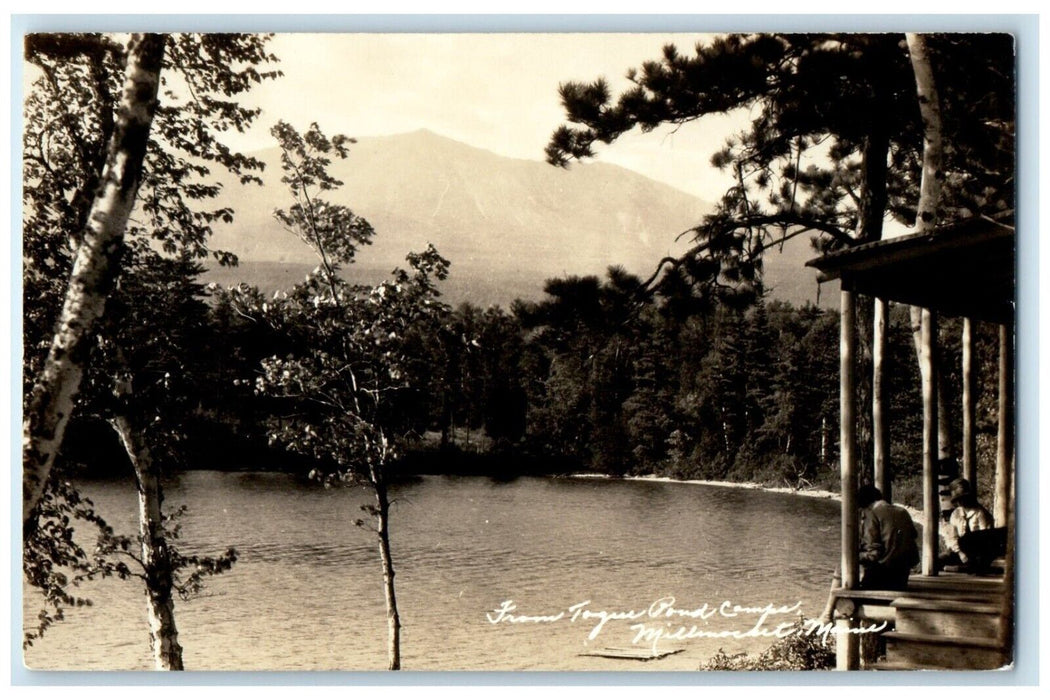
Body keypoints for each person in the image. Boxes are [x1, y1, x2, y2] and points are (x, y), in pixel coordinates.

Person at [857, 485, 920, 590]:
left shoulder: (871, 513)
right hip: (903, 576)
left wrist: (854, 556)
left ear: (864, 504)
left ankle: (829, 607)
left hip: (883, 575)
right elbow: (914, 535)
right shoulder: (903, 511)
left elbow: (874, 554)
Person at [939, 477, 1002, 572]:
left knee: (977, 564)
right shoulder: (955, 514)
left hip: (978, 552)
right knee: (938, 561)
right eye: (957, 499)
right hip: (960, 551)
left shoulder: (980, 513)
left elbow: (987, 538)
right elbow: (952, 537)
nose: (960, 502)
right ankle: (965, 568)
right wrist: (960, 553)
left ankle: (971, 568)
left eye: (963, 498)